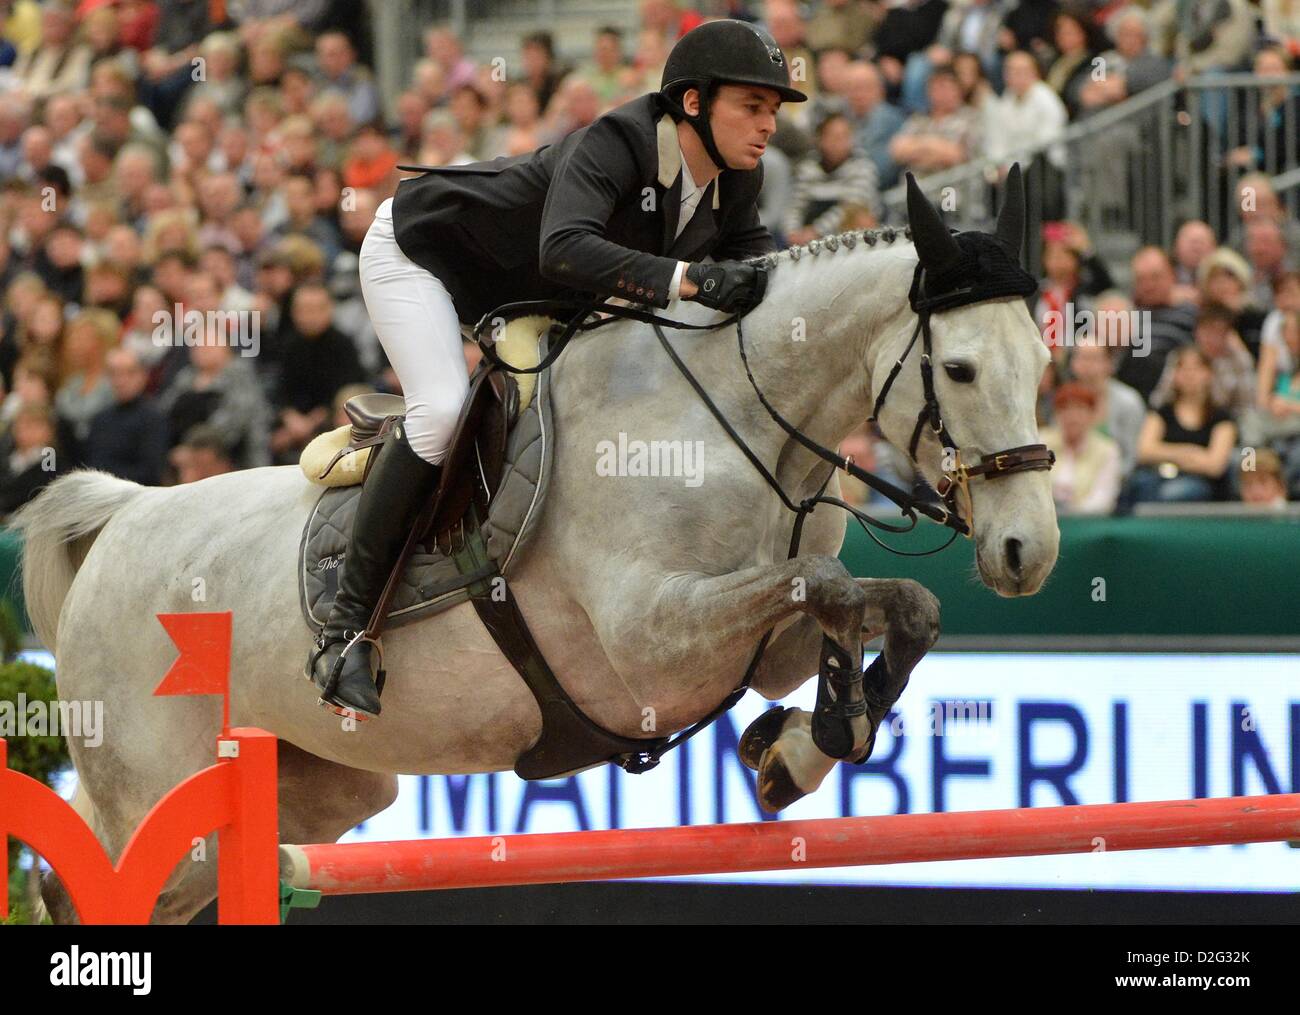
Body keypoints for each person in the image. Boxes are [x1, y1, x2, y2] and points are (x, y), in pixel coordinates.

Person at [306, 20, 796, 718]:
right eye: (752, 106)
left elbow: (758, 280)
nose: (768, 125)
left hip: (528, 296)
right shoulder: (617, 143)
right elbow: (564, 247)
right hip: (421, 255)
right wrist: (689, 279)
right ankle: (345, 630)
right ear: (693, 103)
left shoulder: (732, 183)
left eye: (774, 111)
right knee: (441, 409)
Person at [1130, 347, 1237, 504]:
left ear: (1209, 374)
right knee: (1139, 484)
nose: (1189, 375)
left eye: (1196, 369)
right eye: (1183, 369)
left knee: (1173, 493)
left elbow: (1215, 465)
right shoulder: (1161, 412)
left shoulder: (1221, 418)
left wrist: (1165, 454)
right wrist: (1190, 452)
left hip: (1201, 483)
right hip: (1158, 476)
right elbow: (1144, 451)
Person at [1041, 383, 1122, 514]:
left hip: (1086, 524)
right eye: (1065, 409)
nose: (1072, 416)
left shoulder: (1108, 449)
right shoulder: (1041, 442)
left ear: (1092, 415)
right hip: (1044, 517)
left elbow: (1102, 499)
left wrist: (1072, 512)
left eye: (1080, 409)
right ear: (1056, 415)